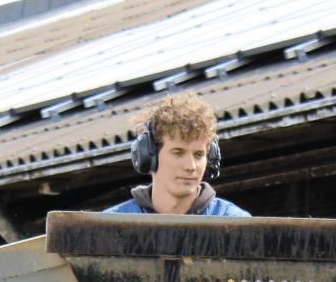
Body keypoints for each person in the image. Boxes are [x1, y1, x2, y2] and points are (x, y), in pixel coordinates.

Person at [104, 93, 250, 216]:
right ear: (149, 156)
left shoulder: (235, 223)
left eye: (199, 155)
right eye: (178, 153)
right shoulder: (109, 225)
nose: (190, 166)